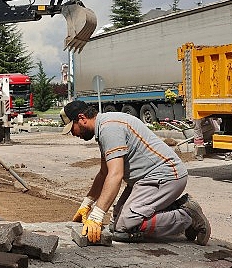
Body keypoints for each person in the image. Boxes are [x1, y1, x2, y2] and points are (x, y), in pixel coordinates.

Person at [60, 100, 211, 246]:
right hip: (147, 179)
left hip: (166, 176)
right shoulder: (104, 126)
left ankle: (188, 217)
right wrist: (87, 204)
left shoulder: (109, 129)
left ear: (81, 118)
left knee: (126, 224)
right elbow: (103, 173)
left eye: (72, 128)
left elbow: (115, 175)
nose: (73, 134)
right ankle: (178, 206)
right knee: (115, 222)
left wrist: (97, 215)